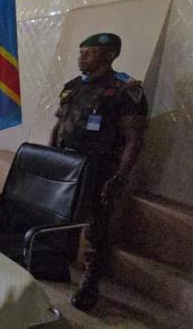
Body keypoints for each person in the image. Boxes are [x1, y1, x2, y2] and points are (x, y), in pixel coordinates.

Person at [50, 33, 147, 311]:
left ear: (109, 56)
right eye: (81, 52)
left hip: (101, 169)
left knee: (96, 229)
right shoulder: (72, 87)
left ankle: (90, 282)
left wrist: (121, 177)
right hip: (68, 166)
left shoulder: (124, 90)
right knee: (61, 218)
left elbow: (135, 139)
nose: (82, 57)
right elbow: (59, 126)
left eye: (89, 52)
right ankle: (56, 264)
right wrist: (51, 159)